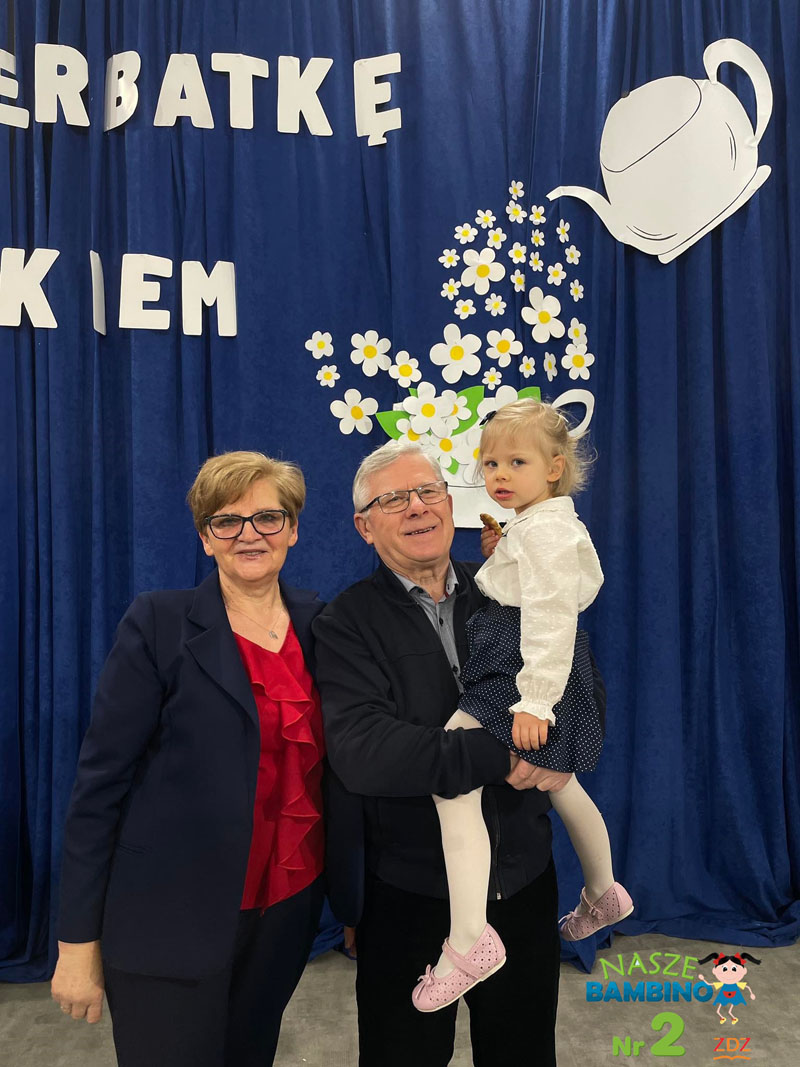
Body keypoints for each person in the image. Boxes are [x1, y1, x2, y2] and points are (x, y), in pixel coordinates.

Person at [314, 438, 604, 1067]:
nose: (417, 507)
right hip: (409, 895)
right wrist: (506, 755)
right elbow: (366, 751)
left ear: (451, 503)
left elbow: (578, 681)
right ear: (364, 526)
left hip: (523, 884)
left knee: (524, 1055)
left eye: (429, 491)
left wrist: (557, 743)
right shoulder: (344, 623)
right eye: (394, 500)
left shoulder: (506, 586)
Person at [51, 451, 325, 1067]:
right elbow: (99, 787)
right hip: (167, 918)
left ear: (293, 529)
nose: (249, 534)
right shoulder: (159, 622)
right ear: (206, 538)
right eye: (227, 521)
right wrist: (76, 941)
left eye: (267, 517)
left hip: (283, 911)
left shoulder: (320, 623)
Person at [412, 399, 632, 1013]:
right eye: (490, 464)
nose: (499, 474)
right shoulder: (537, 526)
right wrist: (503, 554)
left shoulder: (547, 532)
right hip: (530, 664)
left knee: (451, 777)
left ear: (555, 468)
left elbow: (552, 615)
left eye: (517, 462)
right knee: (560, 782)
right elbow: (538, 587)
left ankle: (469, 939)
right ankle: (603, 889)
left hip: (523, 668)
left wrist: (536, 701)